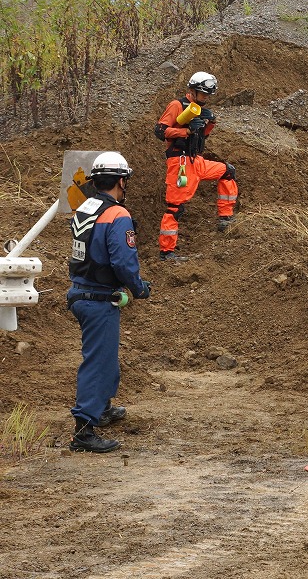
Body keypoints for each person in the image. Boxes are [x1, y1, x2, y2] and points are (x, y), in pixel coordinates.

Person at [66, 152, 151, 454]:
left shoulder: (84, 207)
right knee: (99, 363)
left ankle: (101, 409)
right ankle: (84, 431)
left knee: (105, 359)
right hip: (98, 298)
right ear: (121, 181)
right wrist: (138, 288)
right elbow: (124, 262)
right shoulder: (118, 215)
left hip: (80, 292)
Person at [154, 72, 238, 261]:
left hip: (196, 160)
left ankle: (226, 218)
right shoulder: (177, 105)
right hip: (180, 163)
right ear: (193, 91)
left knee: (227, 171)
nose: (206, 98)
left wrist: (211, 123)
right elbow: (160, 131)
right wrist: (186, 130)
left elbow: (202, 137)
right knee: (175, 208)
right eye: (204, 94)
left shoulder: (198, 109)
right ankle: (166, 253)